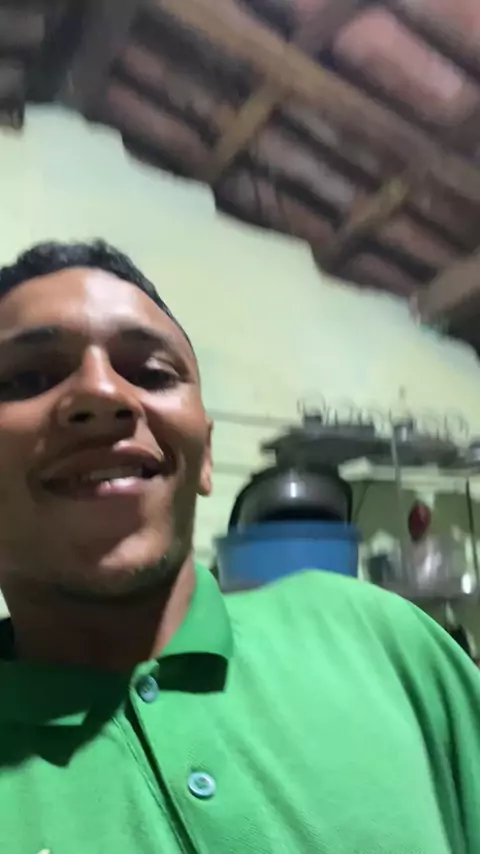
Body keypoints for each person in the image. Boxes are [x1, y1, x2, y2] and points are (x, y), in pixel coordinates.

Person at [0, 240, 478, 854]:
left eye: (151, 373)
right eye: (29, 378)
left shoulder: (379, 639)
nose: (104, 394)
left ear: (205, 455)